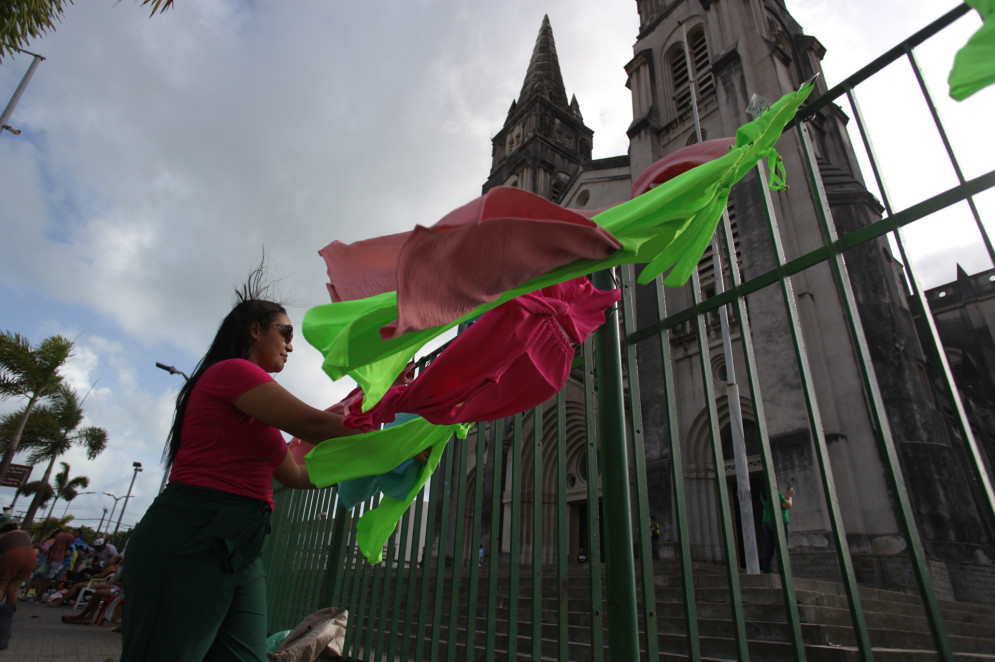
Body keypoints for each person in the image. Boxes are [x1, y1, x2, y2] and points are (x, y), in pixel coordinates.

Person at [121, 267, 369, 662]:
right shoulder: (232, 372)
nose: (291, 345)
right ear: (255, 330)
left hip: (242, 544)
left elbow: (300, 477)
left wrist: (371, 463)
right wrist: (390, 441)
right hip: (193, 533)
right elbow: (313, 424)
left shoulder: (260, 421)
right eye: (285, 333)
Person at [0, 523, 36, 650]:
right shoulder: (25, 535)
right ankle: (7, 614)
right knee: (14, 587)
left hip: (14, 554)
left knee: (1, 584)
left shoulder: (5, 535)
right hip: (31, 557)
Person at [34, 527, 75, 601]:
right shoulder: (62, 543)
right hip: (54, 561)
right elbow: (67, 552)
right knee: (47, 578)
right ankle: (39, 595)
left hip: (49, 560)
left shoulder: (55, 542)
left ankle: (38, 594)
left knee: (43, 578)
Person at [761, 485, 795, 573]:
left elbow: (781, 503)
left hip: (766, 520)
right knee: (783, 546)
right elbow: (787, 505)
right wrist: (790, 497)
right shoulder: (776, 493)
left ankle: (767, 571)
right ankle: (784, 571)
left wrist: (787, 496)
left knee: (770, 548)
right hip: (778, 520)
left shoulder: (763, 493)